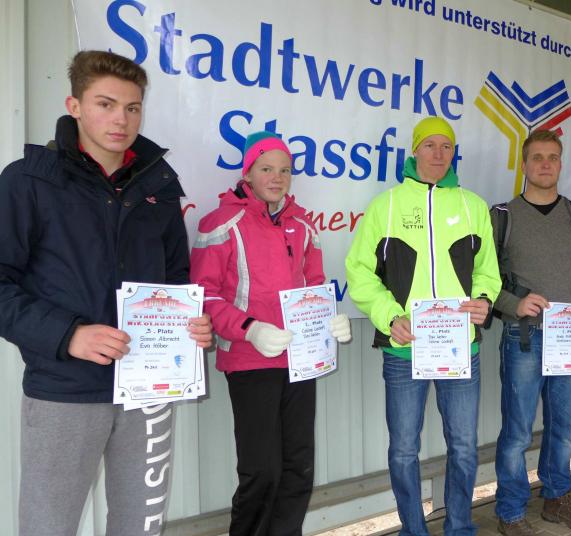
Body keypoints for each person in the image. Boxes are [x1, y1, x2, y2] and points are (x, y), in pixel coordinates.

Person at [0, 50, 213, 536]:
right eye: (106, 104)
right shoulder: (29, 180)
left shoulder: (160, 185)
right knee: (48, 528)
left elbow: (176, 282)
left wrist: (193, 325)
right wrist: (69, 335)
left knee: (141, 527)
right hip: (65, 390)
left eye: (132, 107)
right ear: (74, 106)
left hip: (149, 389)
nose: (121, 119)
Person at [190, 131, 352, 536]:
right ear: (248, 172)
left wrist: (329, 320)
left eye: (284, 170)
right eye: (266, 169)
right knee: (261, 470)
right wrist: (249, 329)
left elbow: (315, 285)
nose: (276, 178)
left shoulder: (303, 225)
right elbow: (204, 295)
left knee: (298, 466)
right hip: (250, 360)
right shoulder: (221, 223)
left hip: (300, 360)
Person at [345, 117, 501, 535]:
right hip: (404, 348)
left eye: (446, 146)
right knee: (403, 450)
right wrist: (389, 316)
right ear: (414, 151)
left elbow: (488, 271)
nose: (438, 153)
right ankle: (413, 530)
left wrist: (484, 299)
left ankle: (460, 527)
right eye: (429, 145)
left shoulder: (472, 205)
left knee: (464, 446)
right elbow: (359, 272)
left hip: (459, 348)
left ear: (454, 153)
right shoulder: (386, 206)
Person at [491, 129, 571, 535]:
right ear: (523, 164)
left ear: (560, 163)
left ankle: (557, 498)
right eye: (536, 157)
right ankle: (510, 511)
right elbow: (482, 279)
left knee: (562, 429)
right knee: (517, 431)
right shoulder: (502, 216)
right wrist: (512, 304)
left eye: (552, 157)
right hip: (522, 338)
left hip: (570, 339)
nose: (544, 164)